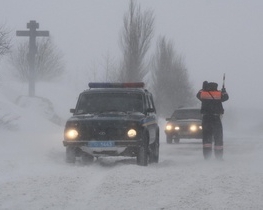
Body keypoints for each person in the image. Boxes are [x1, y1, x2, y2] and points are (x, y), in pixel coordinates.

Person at [196, 81, 229, 160]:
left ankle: (207, 156)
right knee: (218, 137)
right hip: (216, 118)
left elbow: (198, 95)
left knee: (207, 137)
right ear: (216, 87)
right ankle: (219, 156)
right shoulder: (219, 94)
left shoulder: (203, 93)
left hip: (206, 118)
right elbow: (226, 97)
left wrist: (203, 88)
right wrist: (224, 91)